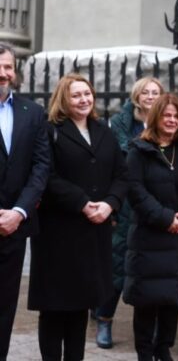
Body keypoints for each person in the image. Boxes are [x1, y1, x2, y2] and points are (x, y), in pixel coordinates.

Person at [28, 74, 129, 361]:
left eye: (87, 94)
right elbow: (46, 176)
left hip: (93, 232)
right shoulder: (50, 131)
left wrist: (110, 204)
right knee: (55, 308)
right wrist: (83, 202)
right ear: (64, 98)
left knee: (80, 306)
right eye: (76, 95)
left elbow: (121, 174)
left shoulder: (103, 131)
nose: (84, 100)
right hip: (58, 234)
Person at [123, 93, 178, 361]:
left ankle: (164, 348)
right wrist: (165, 218)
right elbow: (135, 191)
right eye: (166, 115)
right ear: (155, 117)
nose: (171, 120)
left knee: (174, 298)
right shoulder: (139, 150)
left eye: (175, 116)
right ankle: (146, 353)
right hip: (152, 239)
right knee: (148, 301)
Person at [95, 77, 164, 349]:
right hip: (125, 205)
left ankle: (151, 326)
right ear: (136, 96)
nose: (150, 96)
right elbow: (114, 160)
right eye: (145, 92)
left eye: (155, 92)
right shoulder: (122, 123)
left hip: (156, 202)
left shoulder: (167, 120)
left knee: (152, 267)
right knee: (117, 266)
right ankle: (104, 318)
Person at [0, 43, 50, 361]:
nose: (2, 73)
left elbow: (41, 166)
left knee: (5, 308)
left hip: (14, 229)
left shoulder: (33, 112)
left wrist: (19, 212)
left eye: (7, 67)